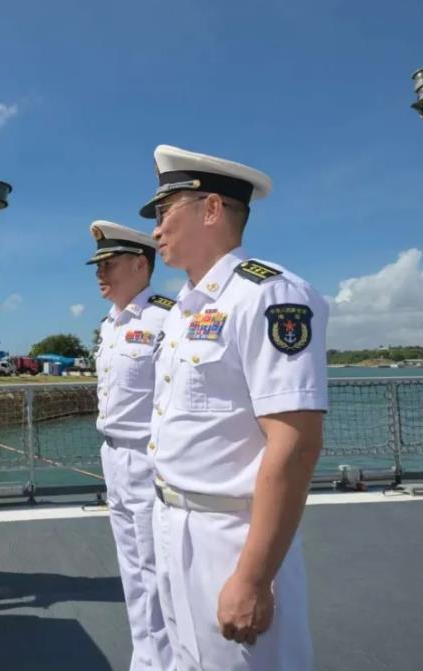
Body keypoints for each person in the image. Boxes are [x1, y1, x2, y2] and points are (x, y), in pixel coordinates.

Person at [141, 144, 328, 670]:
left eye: (164, 212)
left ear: (211, 209)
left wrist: (253, 577)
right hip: (172, 521)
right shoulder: (183, 309)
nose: (156, 231)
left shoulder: (268, 296)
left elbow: (295, 442)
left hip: (230, 536)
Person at [87, 220, 176, 671]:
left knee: (157, 568)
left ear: (141, 265)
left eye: (110, 264)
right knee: (132, 566)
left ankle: (166, 661)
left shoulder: (166, 318)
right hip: (113, 454)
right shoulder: (111, 323)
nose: (100, 274)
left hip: (149, 457)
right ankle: (145, 656)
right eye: (97, 266)